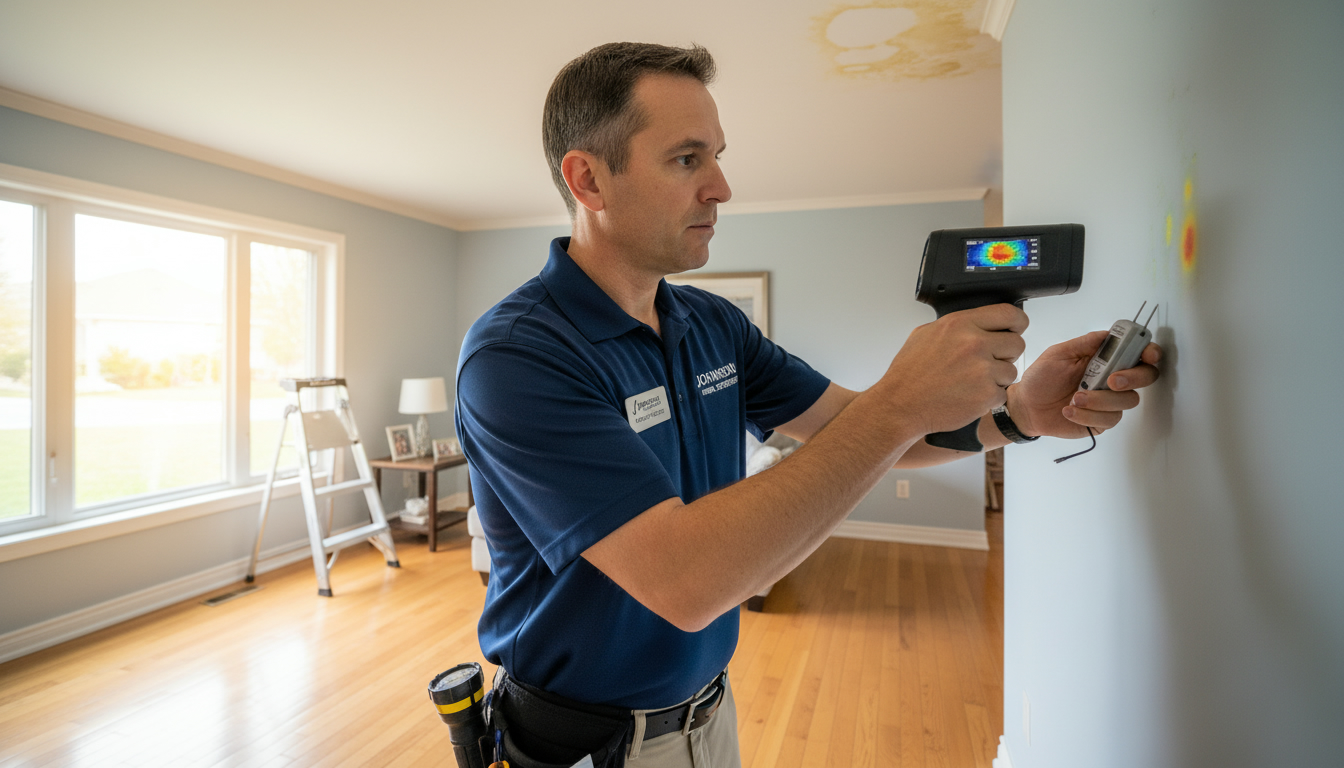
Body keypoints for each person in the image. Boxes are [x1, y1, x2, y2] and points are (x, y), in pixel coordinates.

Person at [454, 42, 1161, 768]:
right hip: (581, 744)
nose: (722, 187)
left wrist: (1017, 416)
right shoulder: (517, 356)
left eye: (718, 157)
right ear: (589, 180)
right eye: (687, 159)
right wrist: (897, 403)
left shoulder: (711, 323)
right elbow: (687, 583)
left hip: (709, 713)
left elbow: (856, 427)